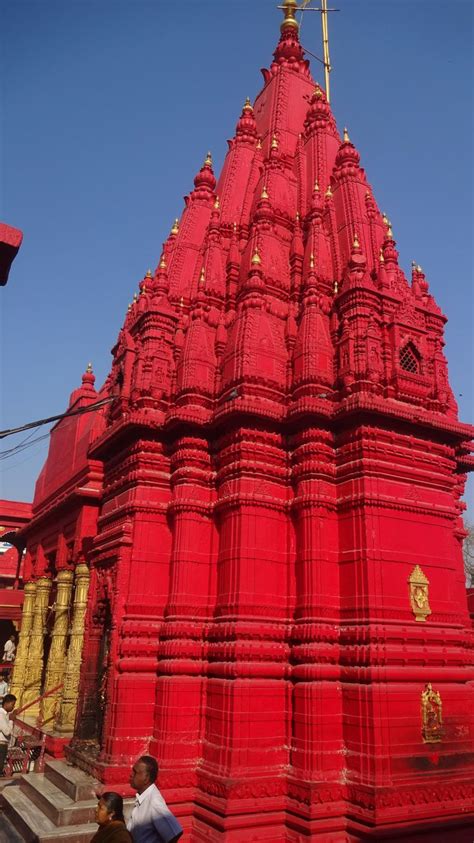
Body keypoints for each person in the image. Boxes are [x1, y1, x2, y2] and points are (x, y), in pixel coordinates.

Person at [127, 756, 183, 843]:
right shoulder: (142, 796)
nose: (131, 774)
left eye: (135, 772)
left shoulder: (154, 803)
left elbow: (174, 833)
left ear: (146, 778)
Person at [0, 693, 17, 776]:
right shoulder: (1, 715)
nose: (13, 707)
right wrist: (11, 720)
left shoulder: (5, 715)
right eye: (12, 705)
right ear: (6, 703)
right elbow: (6, 731)